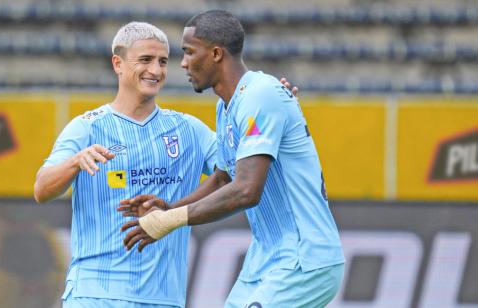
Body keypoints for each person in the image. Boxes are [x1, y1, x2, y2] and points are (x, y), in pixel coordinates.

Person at [121, 10, 345, 308]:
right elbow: (224, 177)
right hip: (267, 258)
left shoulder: (260, 95)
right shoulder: (226, 107)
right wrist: (172, 206)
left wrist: (170, 220)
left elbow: (246, 191)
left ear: (215, 53)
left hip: (303, 258)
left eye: (189, 52)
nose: (183, 63)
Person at [33, 22, 218, 308]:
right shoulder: (87, 128)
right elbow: (42, 189)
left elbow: (240, 171)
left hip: (164, 299)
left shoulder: (188, 130)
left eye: (162, 61)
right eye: (145, 60)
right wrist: (74, 163)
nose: (155, 71)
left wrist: (270, 105)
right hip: (95, 296)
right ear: (117, 64)